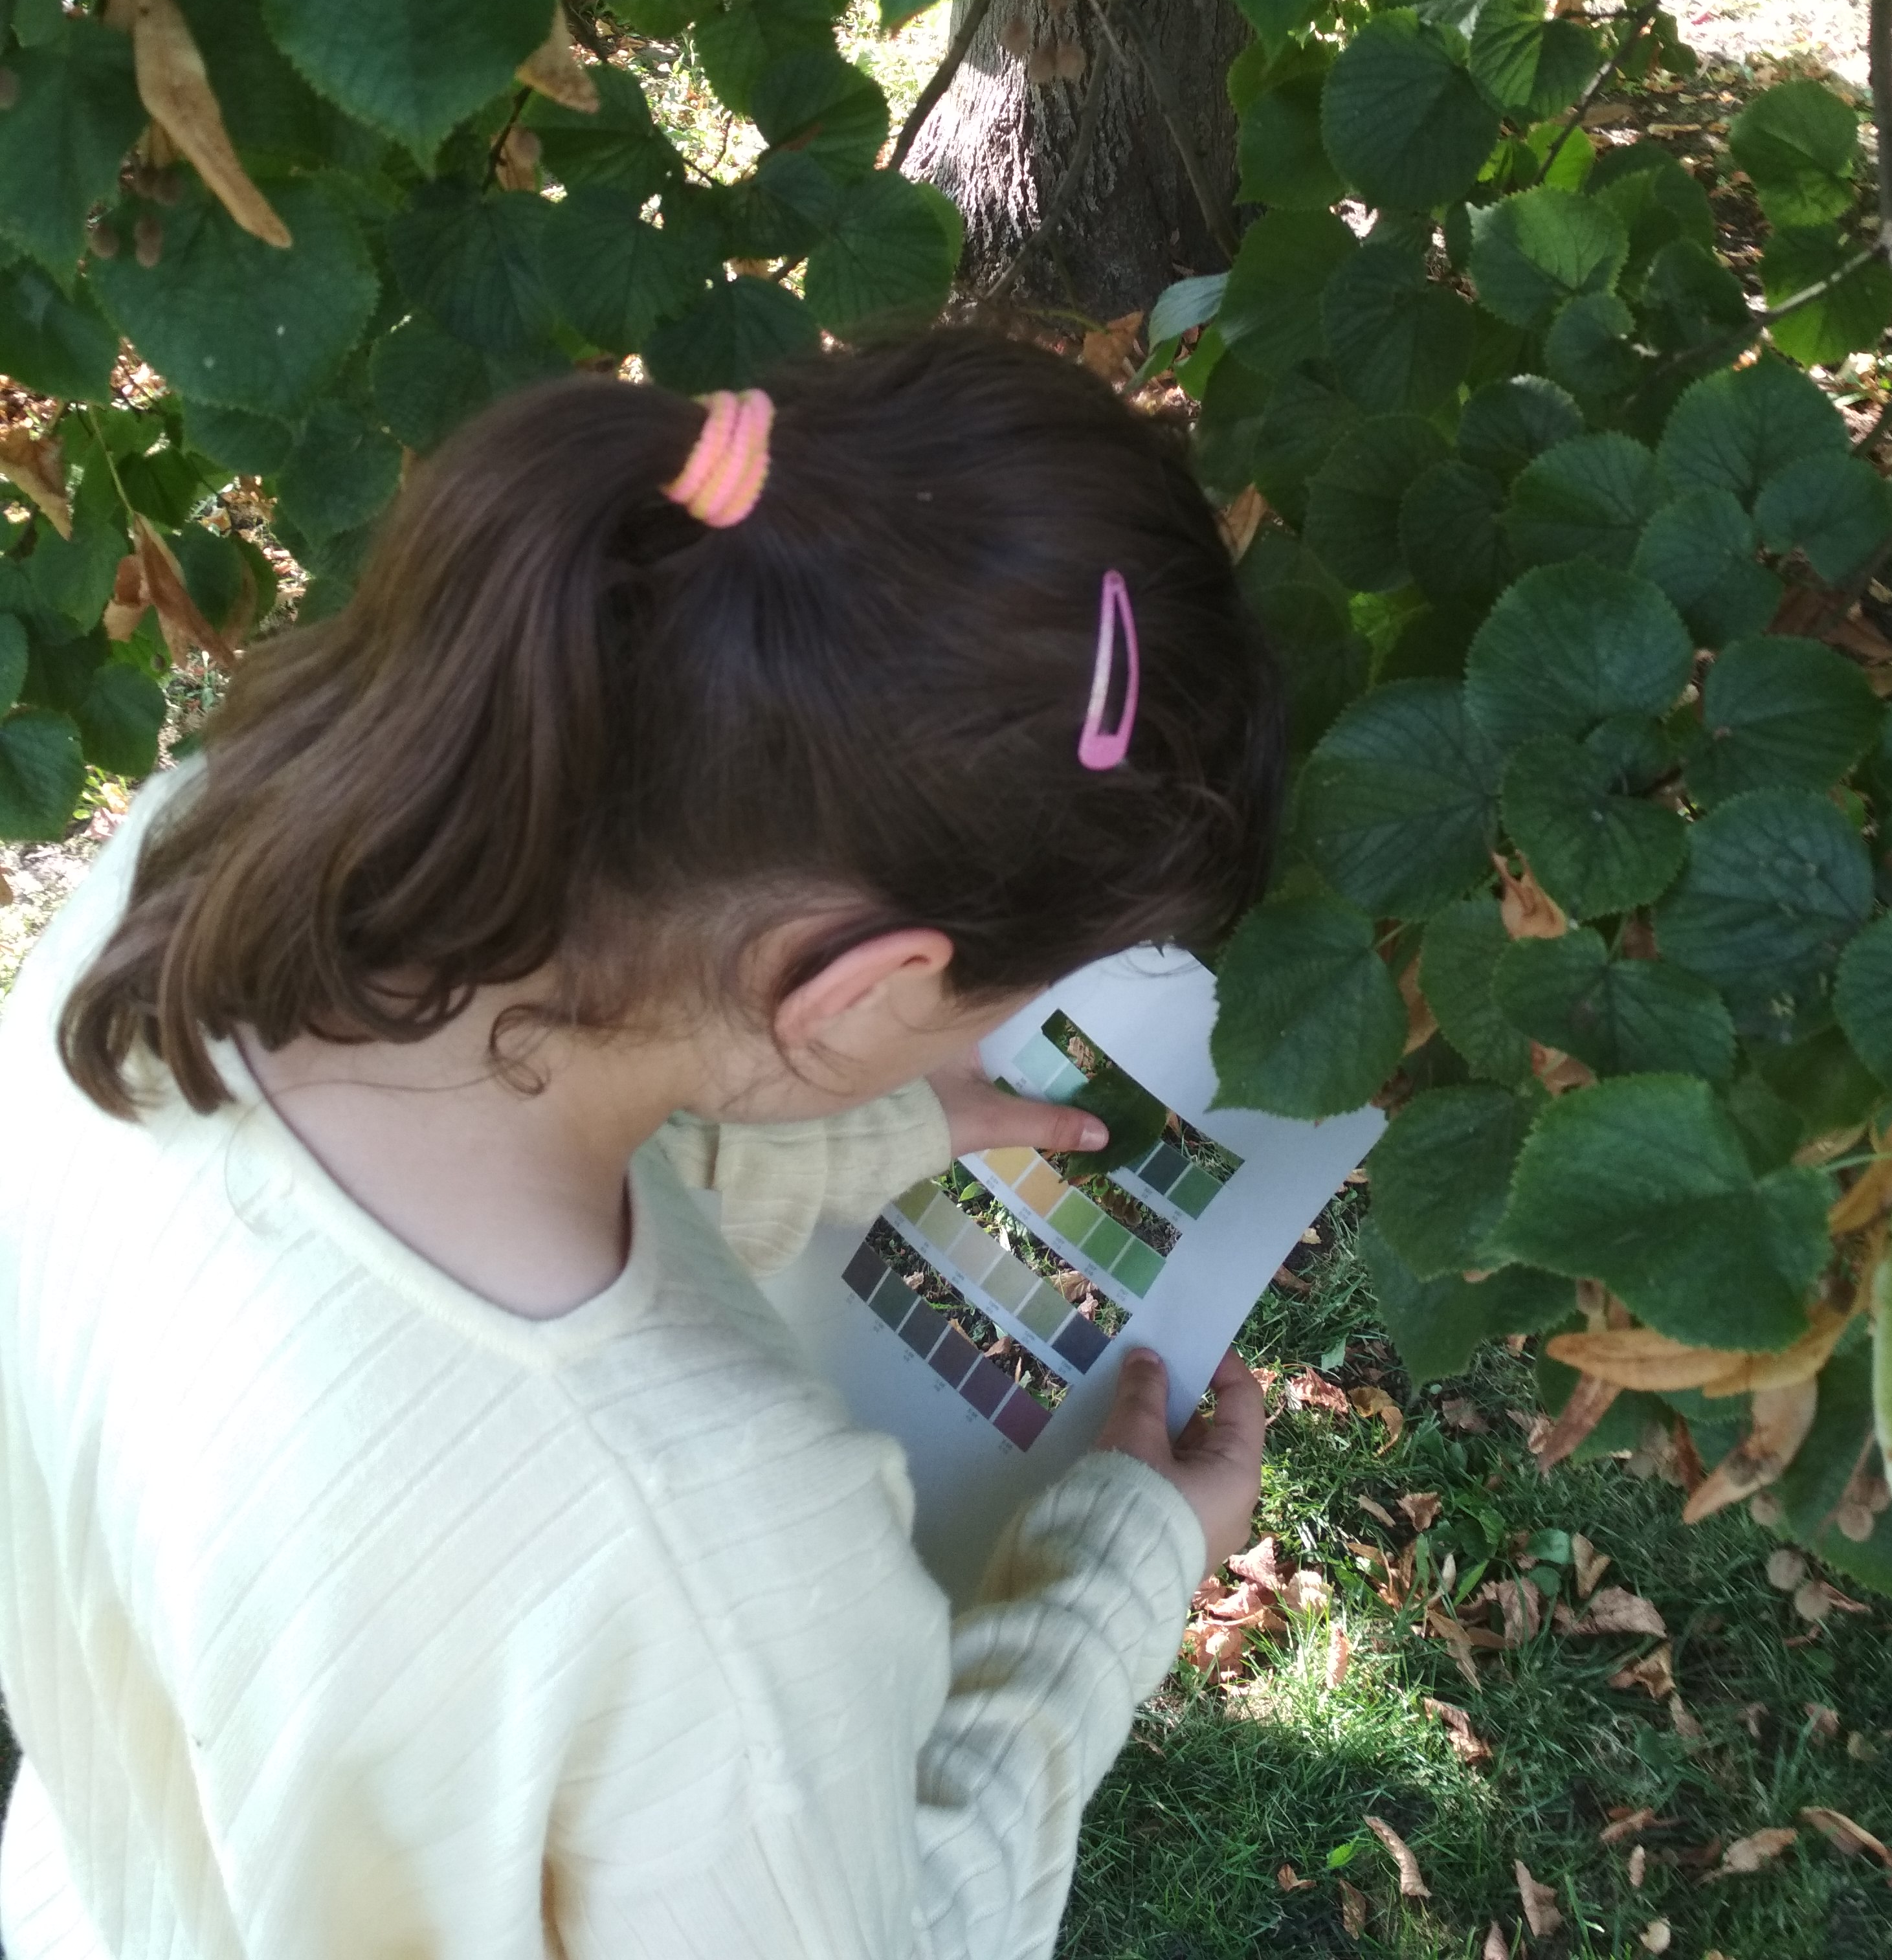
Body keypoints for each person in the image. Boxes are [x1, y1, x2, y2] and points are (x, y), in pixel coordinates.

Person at [0, 330, 1283, 1960]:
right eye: (1008, 995)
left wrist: (860, 1127)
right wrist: (1118, 1576)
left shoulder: (191, 875)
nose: (994, 1035)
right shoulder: (713, 1550)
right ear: (862, 983)